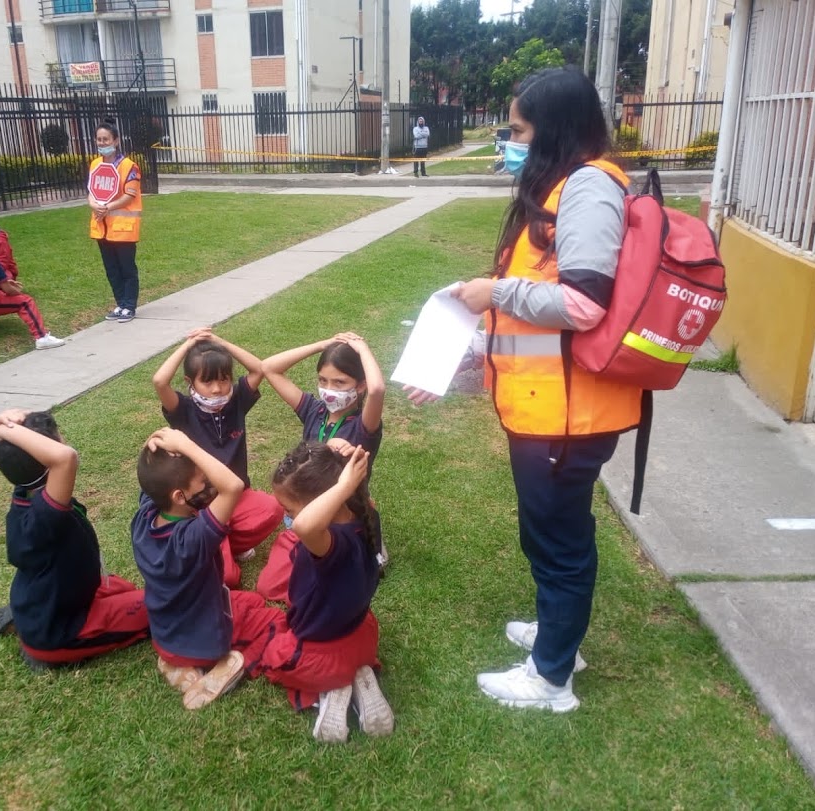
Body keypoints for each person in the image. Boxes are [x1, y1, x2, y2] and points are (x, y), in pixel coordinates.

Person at [404, 66, 642, 713]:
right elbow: (536, 327)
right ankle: (557, 635)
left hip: (567, 417)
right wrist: (469, 354)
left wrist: (493, 292)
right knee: (549, 533)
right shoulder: (563, 188)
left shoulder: (589, 188)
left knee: (560, 540)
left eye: (518, 131)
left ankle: (551, 679)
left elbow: (582, 305)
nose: (511, 143)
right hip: (545, 408)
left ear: (554, 129)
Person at [0, 408, 150, 669]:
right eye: (59, 437)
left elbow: (42, 457)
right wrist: (0, 428)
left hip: (62, 597)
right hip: (63, 631)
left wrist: (14, 420)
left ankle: (25, 618)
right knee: (160, 608)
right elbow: (65, 458)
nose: (64, 440)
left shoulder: (26, 491)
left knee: (124, 588)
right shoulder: (45, 516)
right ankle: (43, 650)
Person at [132, 428, 287, 710]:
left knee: (249, 600)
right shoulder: (193, 538)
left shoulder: (144, 519)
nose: (208, 484)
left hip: (167, 635)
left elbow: (151, 481)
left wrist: (153, 447)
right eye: (202, 481)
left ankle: (176, 664)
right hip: (205, 642)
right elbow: (233, 487)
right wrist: (187, 444)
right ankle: (231, 664)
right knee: (274, 619)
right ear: (180, 496)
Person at [257, 442, 393, 743]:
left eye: (289, 510)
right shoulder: (364, 515)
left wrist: (342, 484)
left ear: (323, 503)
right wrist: (338, 474)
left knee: (272, 654)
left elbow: (305, 526)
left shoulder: (329, 543)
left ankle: (331, 690)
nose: (287, 517)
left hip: (320, 652)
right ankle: (357, 676)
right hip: (362, 637)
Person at [152, 327, 283, 588]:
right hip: (202, 508)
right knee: (228, 578)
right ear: (191, 383)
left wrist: (218, 341)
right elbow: (159, 381)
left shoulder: (236, 402)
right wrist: (188, 345)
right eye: (207, 381)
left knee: (272, 509)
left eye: (224, 379)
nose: (217, 389)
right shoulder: (183, 410)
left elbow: (259, 369)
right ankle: (215, 543)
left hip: (235, 495)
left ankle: (228, 543)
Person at [258, 332, 387, 600]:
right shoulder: (313, 411)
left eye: (340, 382)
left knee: (314, 580)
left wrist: (362, 348)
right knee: (273, 585)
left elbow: (378, 390)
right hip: (305, 508)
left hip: (342, 513)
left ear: (359, 385)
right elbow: (269, 368)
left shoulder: (363, 427)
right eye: (323, 380)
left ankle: (368, 543)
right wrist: (321, 345)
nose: (330, 389)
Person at [88, 119, 142, 323]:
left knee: (126, 268)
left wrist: (107, 207)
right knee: (111, 269)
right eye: (99, 139)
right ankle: (120, 303)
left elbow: (129, 195)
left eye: (106, 139)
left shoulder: (129, 166)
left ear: (116, 141)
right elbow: (91, 191)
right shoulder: (95, 164)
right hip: (102, 227)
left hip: (123, 228)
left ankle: (130, 306)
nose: (102, 143)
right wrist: (94, 204)